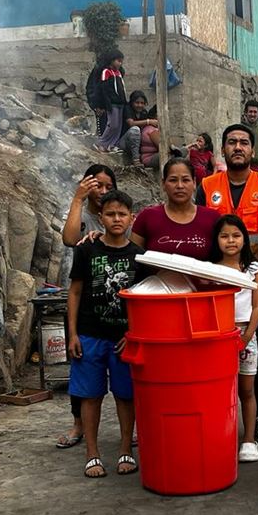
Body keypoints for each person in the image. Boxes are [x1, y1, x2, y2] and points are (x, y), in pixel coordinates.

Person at [195, 124, 258, 440]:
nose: (238, 147)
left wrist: (249, 263)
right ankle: (222, 412)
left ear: (252, 150)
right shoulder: (206, 185)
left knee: (256, 347)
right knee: (217, 351)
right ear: (223, 148)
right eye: (232, 142)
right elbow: (204, 229)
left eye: (244, 142)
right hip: (218, 286)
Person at [67, 190, 147, 478]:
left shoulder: (139, 257)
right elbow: (75, 291)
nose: (116, 219)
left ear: (131, 219)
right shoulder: (86, 250)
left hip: (123, 338)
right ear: (100, 218)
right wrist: (73, 333)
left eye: (122, 214)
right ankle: (92, 453)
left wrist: (135, 333)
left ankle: (126, 449)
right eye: (110, 214)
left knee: (126, 396)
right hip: (89, 334)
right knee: (91, 396)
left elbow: (143, 300)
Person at [58, 164, 117, 450]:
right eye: (98, 186)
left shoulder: (117, 215)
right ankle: (79, 423)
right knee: (80, 367)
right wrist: (78, 198)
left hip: (112, 302)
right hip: (83, 297)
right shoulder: (81, 213)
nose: (103, 192)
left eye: (108, 186)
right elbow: (69, 238)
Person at [210, 215, 258, 463]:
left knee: (247, 389)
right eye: (224, 236)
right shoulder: (210, 269)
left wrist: (248, 335)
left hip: (245, 337)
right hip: (219, 337)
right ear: (216, 240)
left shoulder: (253, 269)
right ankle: (223, 438)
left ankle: (249, 439)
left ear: (244, 238)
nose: (230, 241)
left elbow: (257, 305)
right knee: (221, 391)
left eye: (235, 235)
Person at [132, 158, 220, 259]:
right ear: (163, 184)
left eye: (186, 180)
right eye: (173, 180)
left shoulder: (212, 218)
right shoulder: (147, 217)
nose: (180, 186)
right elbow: (133, 258)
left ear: (194, 183)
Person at [93, 50, 126, 152]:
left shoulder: (119, 73)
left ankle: (112, 145)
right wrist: (106, 104)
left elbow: (122, 88)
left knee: (118, 127)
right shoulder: (106, 72)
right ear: (111, 60)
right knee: (112, 125)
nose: (120, 63)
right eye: (118, 61)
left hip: (120, 103)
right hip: (112, 103)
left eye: (121, 61)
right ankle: (100, 142)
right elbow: (104, 89)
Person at [120, 90, 159, 167]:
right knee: (135, 130)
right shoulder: (127, 109)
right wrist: (148, 121)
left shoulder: (143, 112)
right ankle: (136, 160)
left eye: (142, 103)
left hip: (138, 145)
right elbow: (131, 123)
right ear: (132, 102)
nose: (140, 105)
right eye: (137, 103)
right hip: (125, 142)